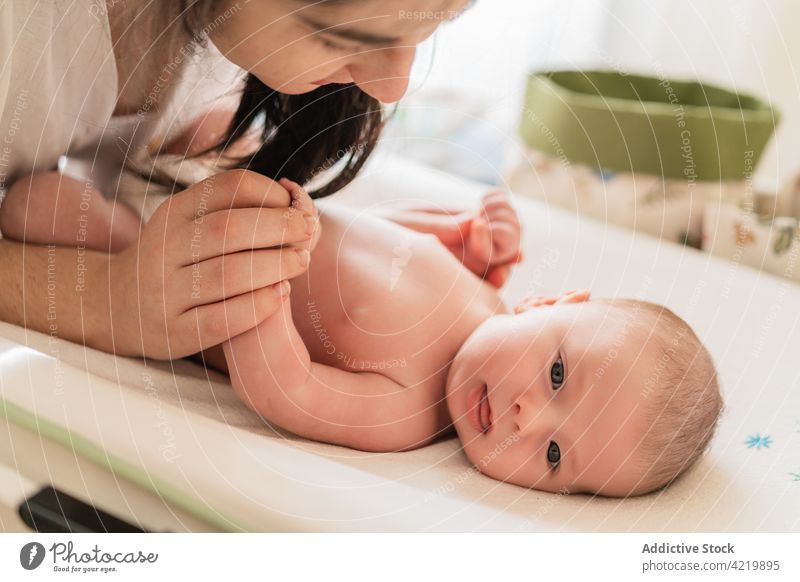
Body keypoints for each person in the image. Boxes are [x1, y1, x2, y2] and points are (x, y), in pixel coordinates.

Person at [0, 0, 474, 359]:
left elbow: (144, 134)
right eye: (338, 40)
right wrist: (103, 298)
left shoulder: (223, 37)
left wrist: (359, 244)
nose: (394, 87)